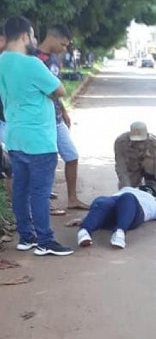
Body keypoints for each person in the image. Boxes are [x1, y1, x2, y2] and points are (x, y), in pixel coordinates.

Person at [0, 16, 73, 256]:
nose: (34, 40)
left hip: (14, 136)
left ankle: (26, 236)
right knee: (40, 192)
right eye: (32, 36)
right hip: (39, 138)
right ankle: (45, 240)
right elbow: (59, 90)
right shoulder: (32, 64)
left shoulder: (1, 62)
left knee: (20, 188)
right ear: (23, 36)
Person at [35, 24, 89, 211]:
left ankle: (72, 199)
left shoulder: (55, 60)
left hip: (56, 118)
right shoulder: (33, 59)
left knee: (71, 156)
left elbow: (56, 91)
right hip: (40, 120)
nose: (65, 49)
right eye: (64, 45)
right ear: (54, 39)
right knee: (45, 162)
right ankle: (44, 205)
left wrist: (64, 110)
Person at [76, 185, 156, 249]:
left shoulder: (155, 203)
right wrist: (85, 219)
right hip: (116, 206)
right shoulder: (128, 189)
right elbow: (101, 207)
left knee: (124, 199)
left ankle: (119, 232)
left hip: (133, 211)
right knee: (102, 201)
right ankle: (85, 231)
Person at [114, 121, 156, 199]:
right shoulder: (120, 143)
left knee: (153, 190)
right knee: (128, 194)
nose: (138, 143)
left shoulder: (154, 144)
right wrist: (126, 188)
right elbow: (120, 166)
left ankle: (151, 186)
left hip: (149, 169)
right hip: (132, 167)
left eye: (141, 141)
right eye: (136, 141)